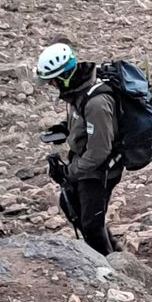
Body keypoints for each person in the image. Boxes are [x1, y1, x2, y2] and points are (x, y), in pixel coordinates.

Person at [35, 43, 124, 255]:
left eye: (53, 82)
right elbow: (86, 126)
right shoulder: (80, 90)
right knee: (72, 207)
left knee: (91, 225)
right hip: (86, 164)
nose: (52, 86)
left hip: (101, 170)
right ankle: (116, 255)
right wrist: (66, 129)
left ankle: (112, 268)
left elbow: (99, 151)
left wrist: (68, 172)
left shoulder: (96, 102)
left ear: (63, 77)